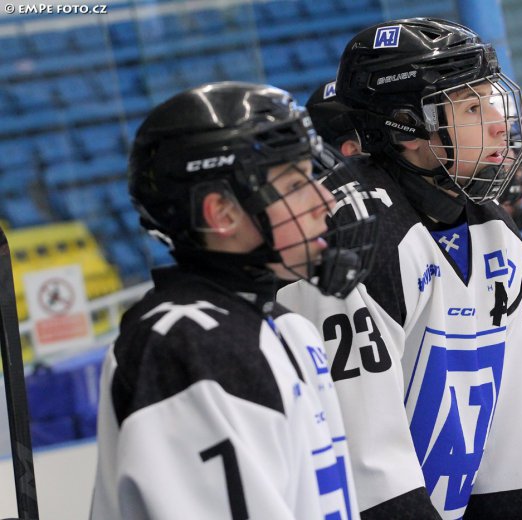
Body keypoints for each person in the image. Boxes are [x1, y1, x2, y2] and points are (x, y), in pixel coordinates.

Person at [278, 18, 522, 519]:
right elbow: (369, 469)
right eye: (471, 107)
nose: (498, 124)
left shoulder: (497, 234)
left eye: (491, 100)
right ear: (406, 126)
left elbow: (505, 449)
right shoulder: (351, 236)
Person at [90, 82, 377, 519]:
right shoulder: (187, 345)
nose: (324, 199)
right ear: (221, 214)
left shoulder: (287, 328)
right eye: (295, 183)